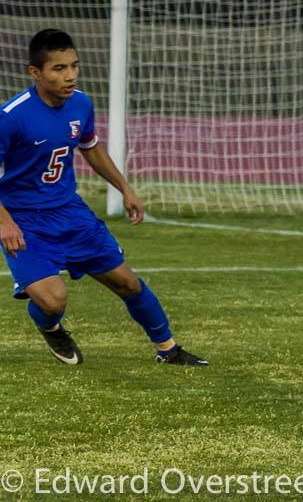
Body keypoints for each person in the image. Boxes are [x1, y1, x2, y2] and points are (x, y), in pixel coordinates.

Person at [0, 29, 207, 366]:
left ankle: (168, 350)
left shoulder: (81, 104)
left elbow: (90, 147)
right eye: (58, 69)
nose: (69, 76)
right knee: (53, 301)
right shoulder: (11, 117)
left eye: (73, 66)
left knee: (127, 283)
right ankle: (50, 327)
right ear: (35, 73)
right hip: (24, 221)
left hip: (70, 212)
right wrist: (5, 223)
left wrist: (124, 188)